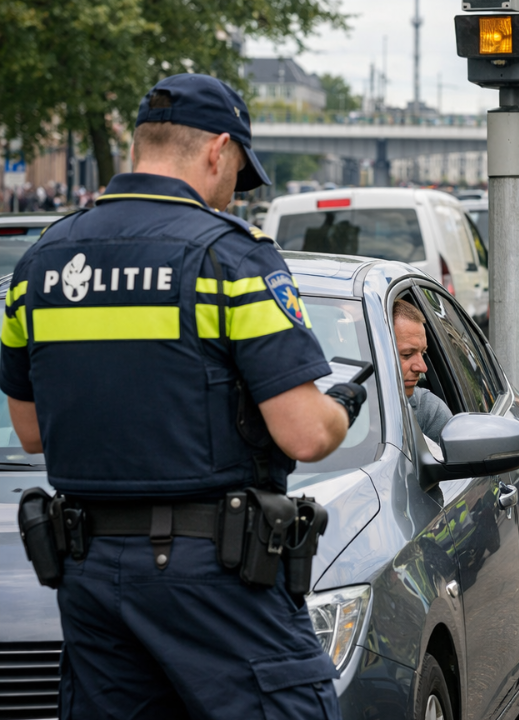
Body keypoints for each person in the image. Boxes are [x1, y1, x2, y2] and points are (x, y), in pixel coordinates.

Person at [1, 74, 367, 719]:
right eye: (238, 173)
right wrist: (339, 406)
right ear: (217, 150)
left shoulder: (40, 263)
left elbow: (30, 433)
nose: (233, 191)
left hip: (87, 571)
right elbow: (307, 435)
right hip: (212, 574)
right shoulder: (229, 258)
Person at [393, 299, 453, 442]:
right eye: (407, 354)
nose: (422, 367)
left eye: (423, 353)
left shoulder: (429, 411)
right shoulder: (334, 406)